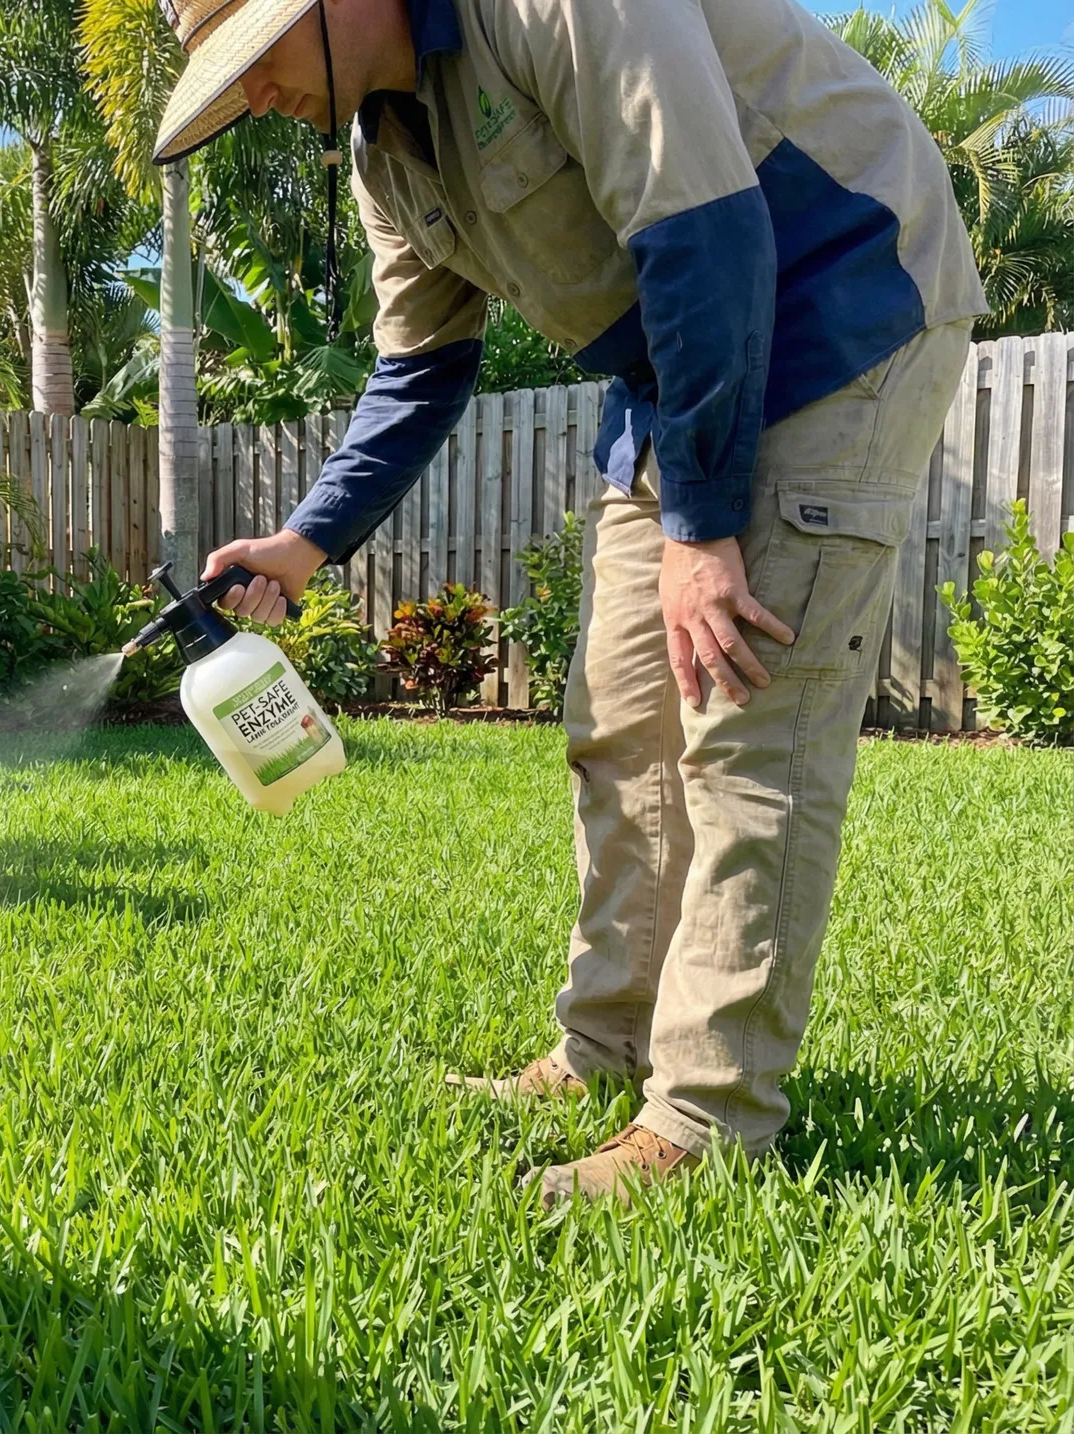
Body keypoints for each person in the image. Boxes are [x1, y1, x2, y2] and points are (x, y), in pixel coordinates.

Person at [149, 0, 984, 1205]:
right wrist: (304, 541)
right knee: (622, 724)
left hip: (838, 293)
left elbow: (706, 233)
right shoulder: (384, 151)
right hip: (676, 360)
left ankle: (710, 1119)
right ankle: (609, 1048)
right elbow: (420, 368)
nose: (255, 98)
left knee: (746, 720)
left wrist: (702, 528)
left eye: (255, 58)